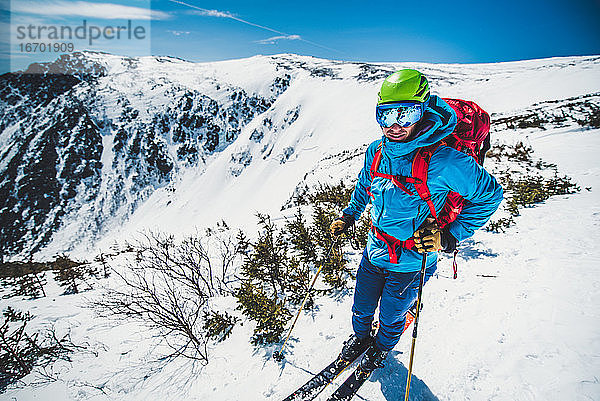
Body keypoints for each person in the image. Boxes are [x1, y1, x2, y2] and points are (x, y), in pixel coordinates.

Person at [329, 69, 503, 373]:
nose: (395, 126)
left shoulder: (444, 160)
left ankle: (381, 348)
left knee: (392, 316)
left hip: (413, 260)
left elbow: (489, 196)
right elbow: (364, 186)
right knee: (361, 308)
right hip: (374, 250)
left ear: (422, 111)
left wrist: (449, 237)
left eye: (405, 114)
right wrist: (349, 215)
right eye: (385, 115)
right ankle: (360, 339)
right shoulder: (377, 150)